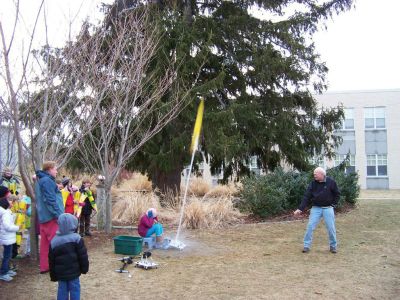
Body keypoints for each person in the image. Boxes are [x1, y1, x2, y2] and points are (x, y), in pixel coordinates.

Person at [294, 167, 340, 254]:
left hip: (328, 209)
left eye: (316, 174)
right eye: (314, 174)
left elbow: (337, 194)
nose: (314, 175)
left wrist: (333, 204)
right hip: (316, 208)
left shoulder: (331, 182)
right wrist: (300, 209)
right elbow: (306, 197)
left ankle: (333, 246)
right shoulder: (313, 184)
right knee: (310, 226)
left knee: (331, 228)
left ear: (322, 174)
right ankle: (306, 246)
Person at [49, 213, 89, 300]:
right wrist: (84, 269)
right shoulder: (77, 238)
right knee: (75, 289)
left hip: (61, 274)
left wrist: (53, 275)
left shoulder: (54, 242)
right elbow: (83, 256)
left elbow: (51, 261)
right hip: (74, 273)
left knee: (62, 290)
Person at [35, 161, 64, 273]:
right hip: (51, 217)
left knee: (45, 244)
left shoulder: (40, 181)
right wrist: (58, 215)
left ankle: (45, 266)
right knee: (56, 243)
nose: (56, 171)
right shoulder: (47, 181)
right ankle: (57, 267)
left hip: (43, 217)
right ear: (49, 169)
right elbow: (50, 200)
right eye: (55, 169)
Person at [0, 187, 19, 282]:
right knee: (7, 256)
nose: (12, 203)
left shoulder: (6, 212)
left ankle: (6, 270)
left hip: (8, 238)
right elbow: (7, 226)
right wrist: (17, 227)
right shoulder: (6, 213)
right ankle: (3, 273)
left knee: (8, 255)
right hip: (7, 238)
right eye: (10, 201)